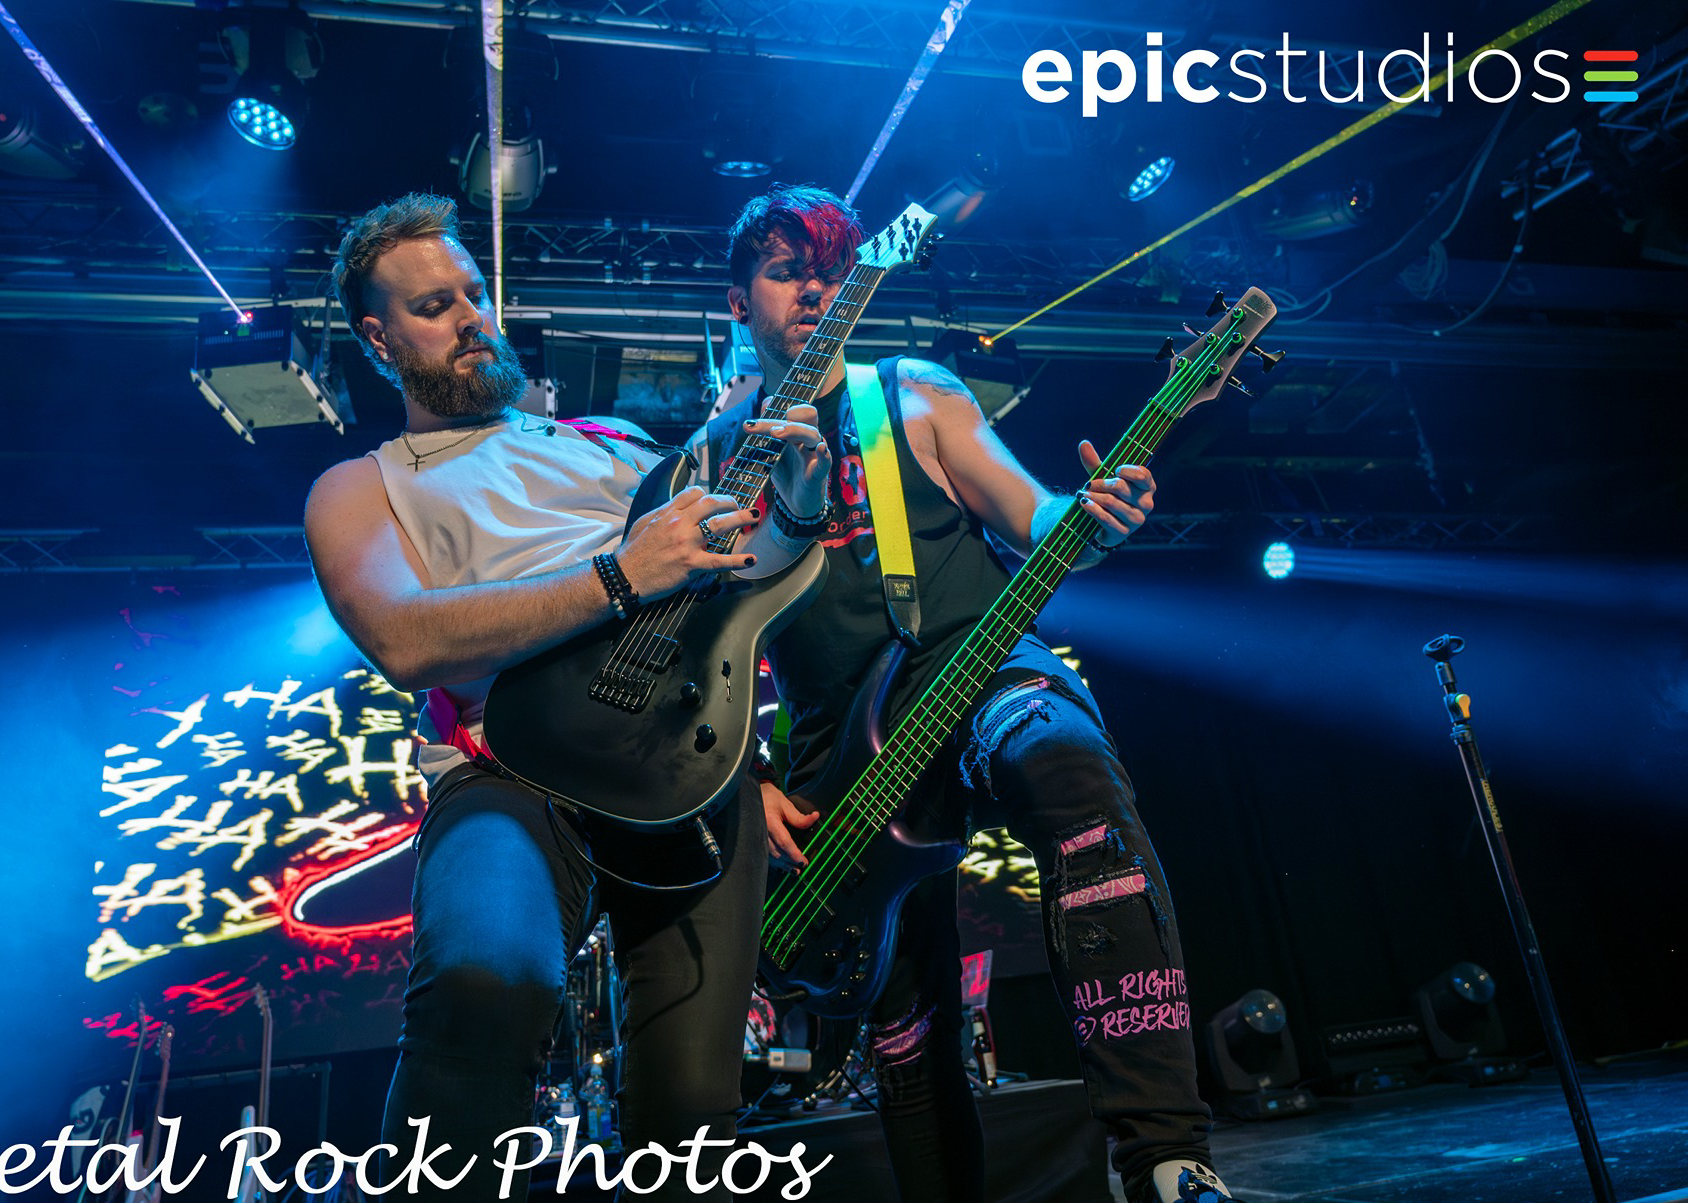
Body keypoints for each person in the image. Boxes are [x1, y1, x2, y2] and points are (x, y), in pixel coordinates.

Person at [697, 184, 1240, 1203]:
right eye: (785, 272)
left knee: (1069, 771)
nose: (813, 292)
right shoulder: (714, 459)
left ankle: (1164, 1157)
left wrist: (1094, 516)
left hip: (980, 667)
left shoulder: (911, 392)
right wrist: (746, 777)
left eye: (831, 273)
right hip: (834, 749)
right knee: (907, 1018)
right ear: (738, 301)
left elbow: (1039, 518)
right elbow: (697, 655)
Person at [304, 192, 831, 1201]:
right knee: (485, 978)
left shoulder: (610, 442)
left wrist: (799, 508)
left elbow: (738, 580)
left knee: (694, 1116)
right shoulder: (358, 485)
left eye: (473, 293)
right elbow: (403, 639)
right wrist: (620, 574)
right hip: (509, 767)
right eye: (433, 307)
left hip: (683, 761)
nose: (470, 318)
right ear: (378, 338)